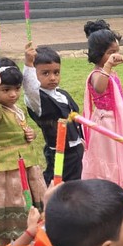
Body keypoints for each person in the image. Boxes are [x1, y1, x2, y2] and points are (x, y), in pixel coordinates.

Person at [0, 58, 47, 246]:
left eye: (17, 89)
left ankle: (35, 229)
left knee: (34, 196)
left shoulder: (18, 109)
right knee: (13, 199)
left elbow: (23, 129)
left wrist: (30, 133)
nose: (13, 94)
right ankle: (12, 238)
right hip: (8, 167)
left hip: (28, 163)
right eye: (6, 90)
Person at [82, 28, 123, 207]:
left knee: (120, 156)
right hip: (104, 125)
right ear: (99, 54)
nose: (115, 55)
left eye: (117, 51)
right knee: (109, 158)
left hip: (116, 122)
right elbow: (100, 88)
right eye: (110, 52)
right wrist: (107, 66)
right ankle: (107, 194)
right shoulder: (96, 75)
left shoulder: (111, 73)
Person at [23, 45, 85, 184]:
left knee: (76, 180)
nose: (52, 78)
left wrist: (80, 139)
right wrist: (28, 63)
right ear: (34, 74)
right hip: (59, 153)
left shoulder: (61, 93)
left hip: (76, 149)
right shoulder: (37, 99)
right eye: (45, 73)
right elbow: (29, 87)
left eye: (56, 73)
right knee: (57, 183)